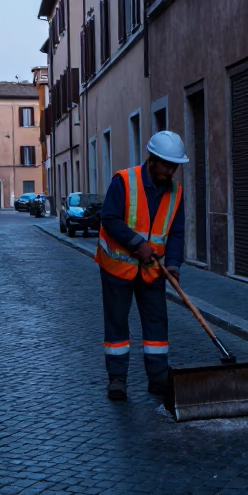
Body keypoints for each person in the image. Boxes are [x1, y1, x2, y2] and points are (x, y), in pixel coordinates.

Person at [95, 131, 188, 401]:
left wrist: (173, 265)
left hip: (152, 271)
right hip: (117, 269)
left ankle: (158, 379)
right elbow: (109, 218)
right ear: (152, 159)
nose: (170, 170)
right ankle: (117, 380)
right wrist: (137, 243)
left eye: (175, 166)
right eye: (166, 164)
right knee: (117, 325)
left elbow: (176, 233)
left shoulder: (175, 192)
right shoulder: (123, 181)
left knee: (157, 324)